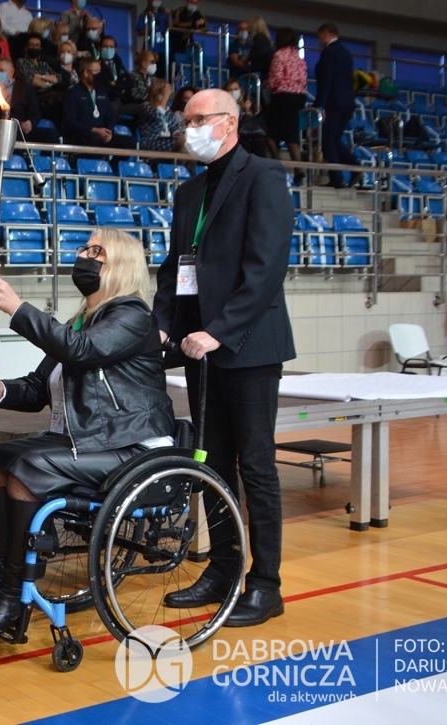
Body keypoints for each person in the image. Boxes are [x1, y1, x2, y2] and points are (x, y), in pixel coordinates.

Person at [0, 230, 175, 635]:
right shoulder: (81, 322)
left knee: (27, 467)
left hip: (131, 444)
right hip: (91, 440)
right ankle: (2, 587)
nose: (84, 255)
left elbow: (79, 350)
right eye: (84, 247)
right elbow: (40, 388)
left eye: (96, 251)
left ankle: (12, 592)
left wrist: (16, 307)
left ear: (121, 265)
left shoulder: (133, 315)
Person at [152, 88, 295, 628]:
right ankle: (223, 568)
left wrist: (217, 331)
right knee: (212, 466)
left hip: (247, 348)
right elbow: (177, 268)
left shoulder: (263, 177)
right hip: (201, 351)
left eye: (197, 120)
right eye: (185, 121)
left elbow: (265, 270)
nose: (187, 129)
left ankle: (266, 584)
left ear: (229, 123)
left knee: (255, 466)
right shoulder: (190, 191)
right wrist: (163, 322)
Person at [0, 56, 57, 142]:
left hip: (19, 127)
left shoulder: (25, 88)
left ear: (12, 72)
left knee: (52, 135)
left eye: (1, 70)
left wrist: (30, 122)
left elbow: (35, 112)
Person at [315, 22, 361, 188]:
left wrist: (320, 105)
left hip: (334, 103)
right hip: (347, 102)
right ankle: (355, 167)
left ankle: (338, 178)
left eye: (320, 36)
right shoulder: (346, 52)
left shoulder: (329, 52)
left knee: (328, 139)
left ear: (326, 33)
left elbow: (327, 80)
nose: (319, 40)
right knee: (333, 139)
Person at [62, 57, 134, 148]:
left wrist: (109, 131)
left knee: (129, 142)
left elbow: (110, 117)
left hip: (102, 135)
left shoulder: (103, 91)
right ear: (86, 72)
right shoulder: (72, 92)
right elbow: (70, 122)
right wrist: (94, 130)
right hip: (82, 135)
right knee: (94, 138)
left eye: (100, 70)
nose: (100, 74)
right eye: (96, 71)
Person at [265, 26, 308, 179]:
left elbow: (276, 79)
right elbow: (303, 80)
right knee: (290, 131)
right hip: (299, 98)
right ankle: (298, 169)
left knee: (269, 131)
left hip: (283, 97)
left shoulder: (279, 55)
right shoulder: (299, 58)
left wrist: (267, 84)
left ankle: (280, 163)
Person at [137, 78, 183, 152]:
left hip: (166, 140)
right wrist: (165, 97)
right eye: (164, 92)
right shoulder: (146, 106)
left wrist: (179, 134)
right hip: (151, 142)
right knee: (182, 143)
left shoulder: (168, 110)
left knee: (188, 143)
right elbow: (158, 116)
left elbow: (173, 127)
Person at [224, 78, 266, 157]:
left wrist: (248, 111)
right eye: (230, 90)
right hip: (233, 136)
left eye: (236, 89)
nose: (233, 92)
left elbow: (251, 125)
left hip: (246, 135)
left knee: (259, 145)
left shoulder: (244, 105)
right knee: (244, 146)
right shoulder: (223, 107)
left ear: (240, 90)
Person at [136, 0, 171, 75]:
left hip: (162, 47)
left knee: (162, 71)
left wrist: (169, 15)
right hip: (150, 46)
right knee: (148, 69)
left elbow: (170, 27)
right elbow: (140, 32)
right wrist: (149, 28)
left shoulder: (164, 14)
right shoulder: (145, 15)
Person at [169, 0, 207, 68]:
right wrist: (194, 23)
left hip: (188, 39)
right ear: (187, 2)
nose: (194, 5)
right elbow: (178, 23)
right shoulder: (180, 11)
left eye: (196, 3)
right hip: (175, 39)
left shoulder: (198, 13)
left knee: (195, 51)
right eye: (192, 2)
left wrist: (195, 30)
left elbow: (205, 27)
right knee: (172, 61)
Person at [93, 36, 128, 106]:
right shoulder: (95, 65)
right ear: (99, 49)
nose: (108, 49)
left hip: (122, 100)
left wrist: (115, 84)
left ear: (116, 50)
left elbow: (128, 81)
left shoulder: (118, 64)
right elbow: (102, 84)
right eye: (105, 47)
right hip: (107, 101)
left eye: (111, 47)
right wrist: (119, 87)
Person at [247, 16, 273, 81]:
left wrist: (248, 57)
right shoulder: (266, 38)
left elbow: (260, 52)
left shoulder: (258, 37)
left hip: (261, 70)